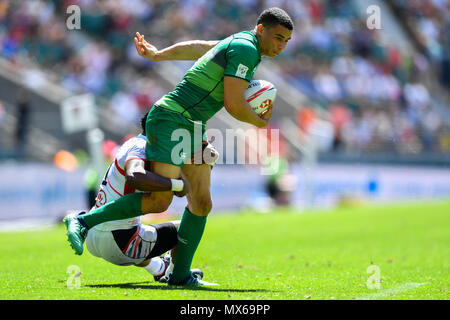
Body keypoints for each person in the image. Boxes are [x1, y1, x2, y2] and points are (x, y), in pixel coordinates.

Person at [65, 7, 293, 286]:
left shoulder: (239, 43)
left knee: (202, 202)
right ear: (261, 30)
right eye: (278, 37)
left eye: (286, 41)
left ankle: (180, 275)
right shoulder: (247, 49)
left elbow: (199, 47)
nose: (281, 45)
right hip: (173, 117)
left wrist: (159, 55)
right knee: (160, 199)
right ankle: (84, 221)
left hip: (192, 125)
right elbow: (234, 104)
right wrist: (259, 122)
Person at [65, 113, 208, 283]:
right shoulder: (142, 147)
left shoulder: (134, 143)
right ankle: (176, 274)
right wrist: (177, 184)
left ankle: (160, 268)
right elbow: (136, 175)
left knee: (141, 231)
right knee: (183, 228)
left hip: (96, 234)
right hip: (118, 239)